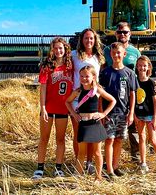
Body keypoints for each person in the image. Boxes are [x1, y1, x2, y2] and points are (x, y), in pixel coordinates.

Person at [65, 65, 116, 181]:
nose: (83, 79)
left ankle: (98, 177)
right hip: (83, 124)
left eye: (87, 76)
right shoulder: (78, 91)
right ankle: (78, 175)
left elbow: (113, 100)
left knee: (97, 153)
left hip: (95, 124)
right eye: (81, 76)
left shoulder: (97, 90)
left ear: (93, 77)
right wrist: (74, 114)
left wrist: (103, 114)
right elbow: (67, 102)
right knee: (81, 152)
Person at [33, 37, 74, 179]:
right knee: (44, 138)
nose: (58, 51)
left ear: (65, 49)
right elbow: (43, 88)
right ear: (52, 50)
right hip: (49, 108)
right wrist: (43, 107)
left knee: (60, 139)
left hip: (63, 108)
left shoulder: (70, 65)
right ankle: (39, 168)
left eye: (60, 48)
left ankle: (58, 168)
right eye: (55, 48)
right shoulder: (47, 66)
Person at [103, 22, 141, 162]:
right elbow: (102, 68)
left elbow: (140, 72)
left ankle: (135, 156)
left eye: (125, 32)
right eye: (120, 32)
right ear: (115, 34)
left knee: (133, 127)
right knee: (111, 137)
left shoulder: (135, 52)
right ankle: (110, 163)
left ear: (130, 34)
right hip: (111, 97)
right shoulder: (107, 50)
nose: (122, 34)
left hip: (129, 93)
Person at [100, 42, 138, 179]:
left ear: (124, 54)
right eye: (114, 53)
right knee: (109, 140)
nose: (116, 55)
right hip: (109, 113)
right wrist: (101, 112)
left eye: (119, 53)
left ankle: (116, 167)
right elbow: (100, 94)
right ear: (110, 54)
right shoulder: (105, 73)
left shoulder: (129, 74)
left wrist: (131, 113)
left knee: (119, 140)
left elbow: (132, 94)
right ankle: (109, 170)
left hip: (123, 113)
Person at [71, 28, 105, 173]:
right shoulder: (74, 55)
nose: (89, 41)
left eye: (91, 38)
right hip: (77, 100)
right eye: (86, 38)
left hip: (92, 100)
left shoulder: (99, 58)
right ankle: (79, 161)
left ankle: (90, 162)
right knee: (79, 134)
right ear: (81, 40)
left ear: (95, 40)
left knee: (92, 134)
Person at [135, 55, 156, 174]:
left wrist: (155, 117)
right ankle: (143, 163)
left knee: (153, 139)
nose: (141, 68)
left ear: (148, 67)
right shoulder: (135, 81)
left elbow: (155, 101)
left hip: (149, 115)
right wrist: (134, 115)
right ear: (136, 67)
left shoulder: (151, 83)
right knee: (141, 138)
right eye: (139, 65)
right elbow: (132, 99)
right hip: (138, 114)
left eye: (144, 66)